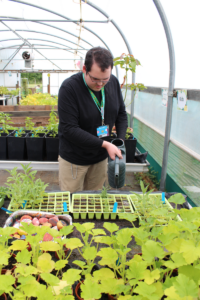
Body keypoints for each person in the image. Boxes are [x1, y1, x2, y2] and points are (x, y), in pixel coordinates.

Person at [58, 46, 127, 193]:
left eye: (105, 79)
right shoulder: (70, 88)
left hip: (100, 158)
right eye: (95, 79)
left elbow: (121, 113)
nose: (100, 84)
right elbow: (69, 129)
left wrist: (119, 141)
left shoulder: (113, 83)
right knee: (72, 201)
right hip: (74, 159)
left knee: (94, 200)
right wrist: (106, 145)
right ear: (84, 69)